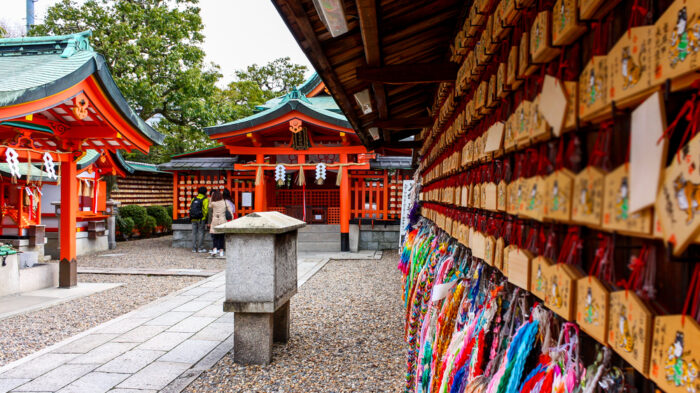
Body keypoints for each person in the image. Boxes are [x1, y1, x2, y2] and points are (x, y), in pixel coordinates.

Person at [208, 189, 227, 257]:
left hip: (215, 220)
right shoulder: (224, 202)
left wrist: (211, 197)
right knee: (221, 236)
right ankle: (221, 251)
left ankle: (215, 249)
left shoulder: (213, 203)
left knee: (214, 236)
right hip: (222, 220)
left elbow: (209, 206)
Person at [190, 186, 209, 253]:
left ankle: (194, 248)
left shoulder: (194, 199)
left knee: (194, 233)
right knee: (201, 232)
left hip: (193, 218)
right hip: (201, 219)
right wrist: (205, 217)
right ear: (205, 192)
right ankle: (200, 248)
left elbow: (191, 208)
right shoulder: (205, 199)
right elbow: (206, 210)